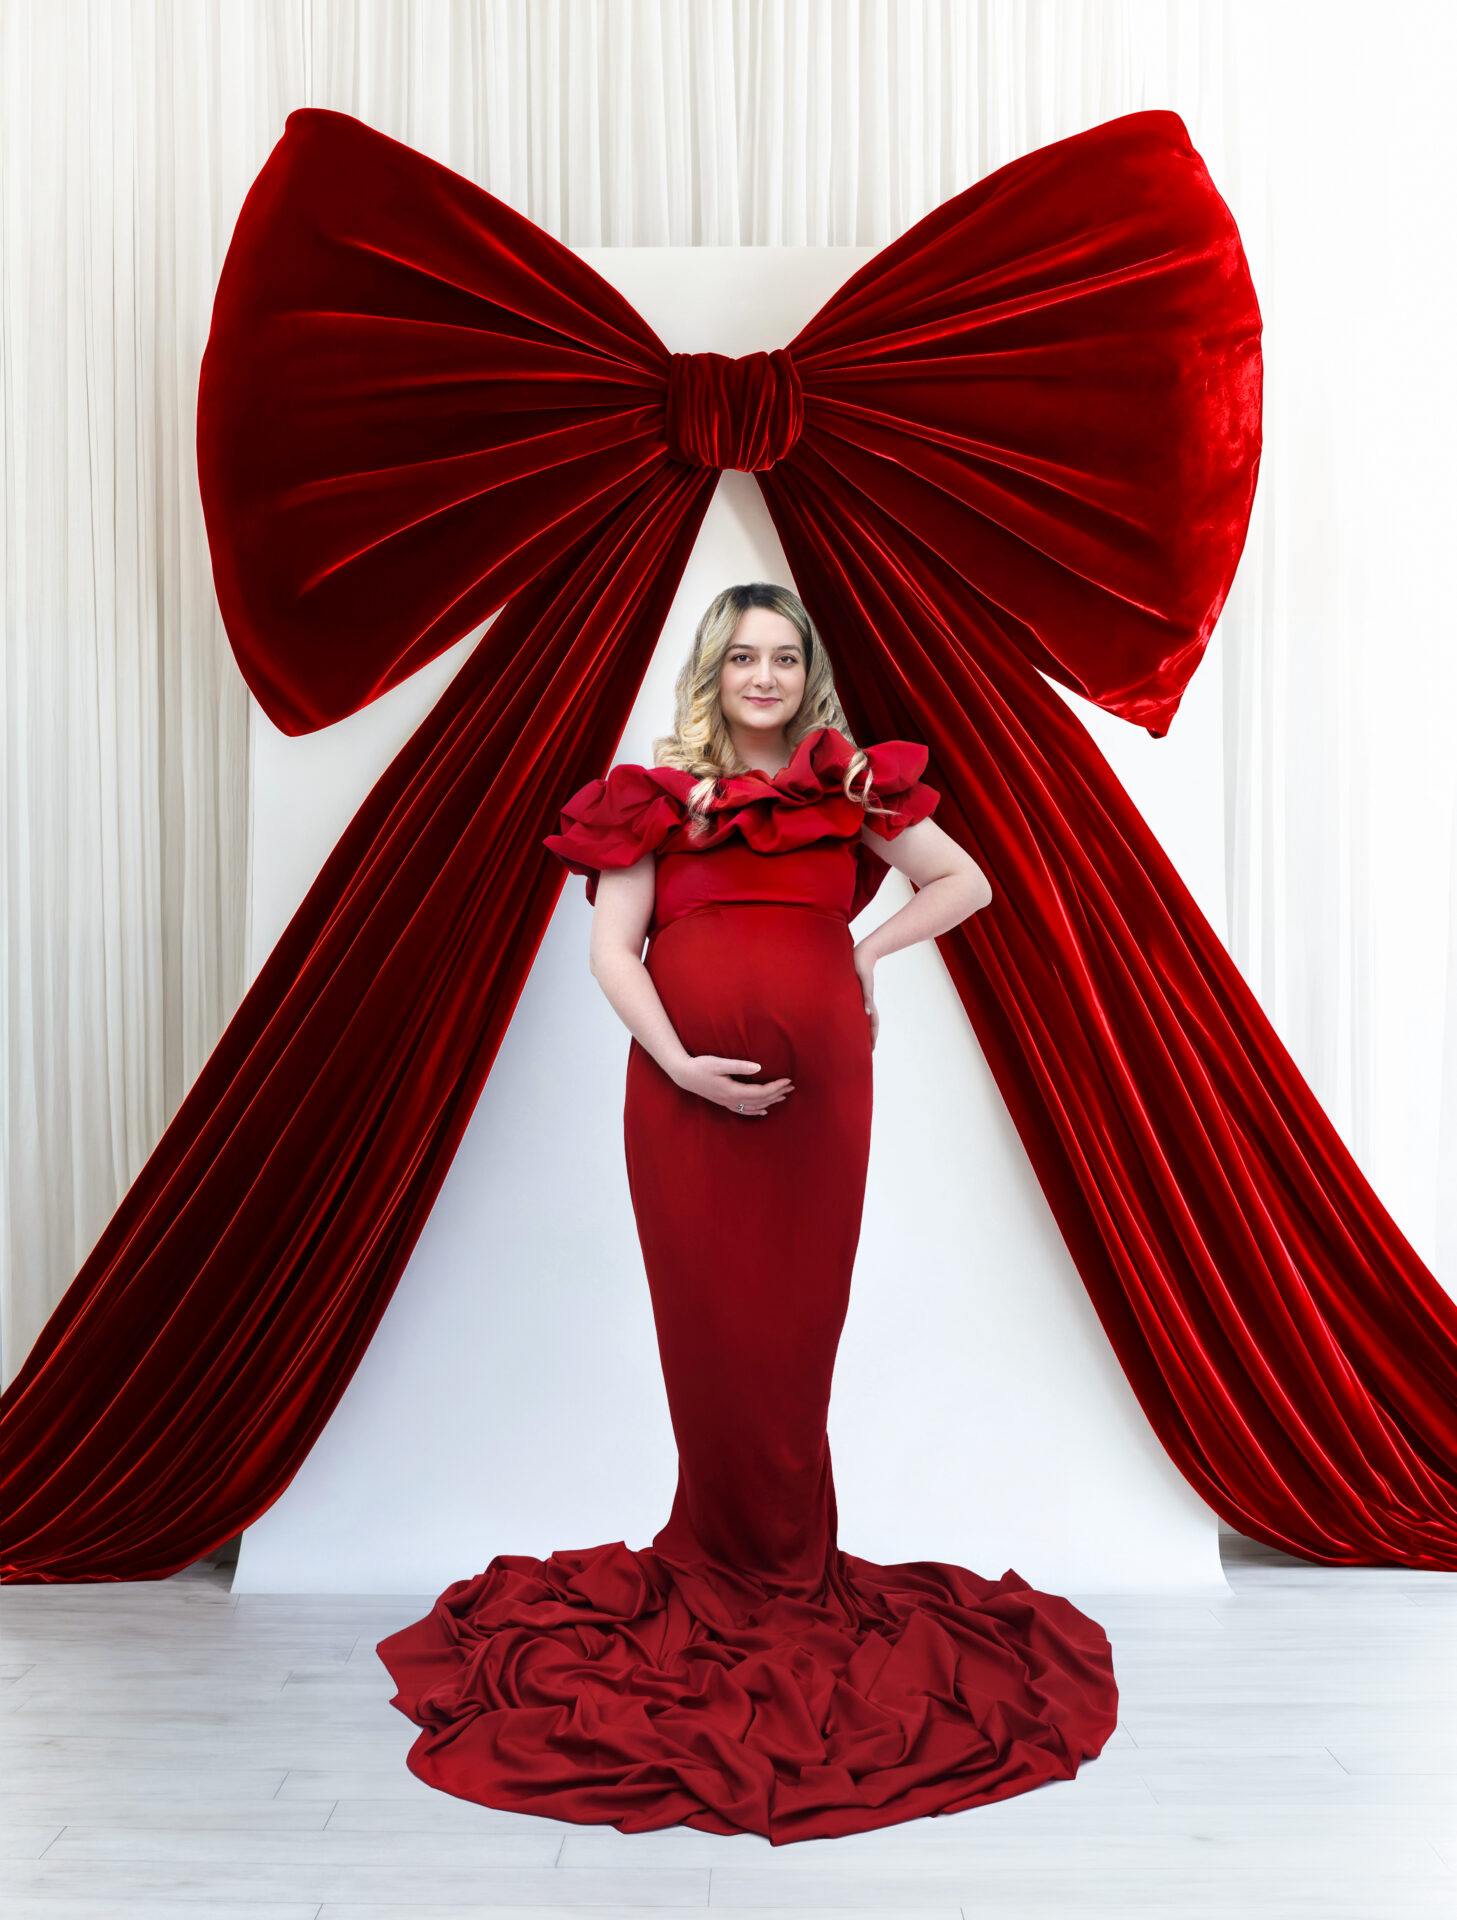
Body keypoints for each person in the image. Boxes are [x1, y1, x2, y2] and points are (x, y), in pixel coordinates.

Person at [377, 582, 1119, 1844]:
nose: (764, 677)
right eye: (743, 658)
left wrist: (860, 957)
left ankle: (788, 1567)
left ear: (803, 673)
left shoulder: (849, 789)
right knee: (711, 1338)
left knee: (791, 1342)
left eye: (783, 658)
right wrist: (674, 1061)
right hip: (680, 1106)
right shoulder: (653, 802)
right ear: (711, 673)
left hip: (821, 1102)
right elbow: (613, 953)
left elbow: (966, 884)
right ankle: (719, 1559)